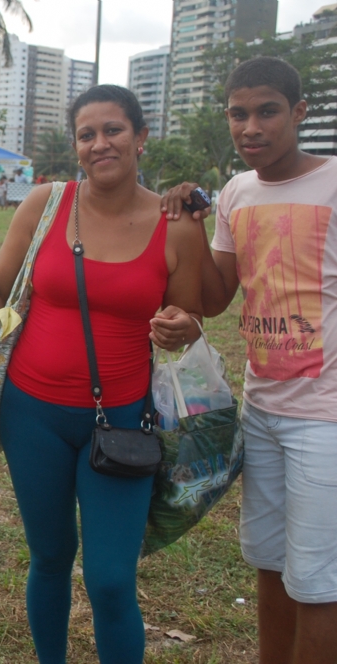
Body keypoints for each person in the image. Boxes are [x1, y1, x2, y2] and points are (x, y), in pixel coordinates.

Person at [0, 85, 205, 664]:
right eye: (87, 134)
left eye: (114, 130)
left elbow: (192, 314)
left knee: (111, 579)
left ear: (141, 138)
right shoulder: (46, 205)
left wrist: (182, 325)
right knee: (49, 557)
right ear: (76, 145)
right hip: (31, 414)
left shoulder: (177, 227)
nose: (101, 144)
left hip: (121, 422)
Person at [161, 57, 337, 664]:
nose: (251, 127)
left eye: (267, 112)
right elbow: (212, 299)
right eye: (239, 114)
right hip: (261, 405)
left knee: (318, 580)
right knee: (268, 559)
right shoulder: (237, 191)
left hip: (328, 418)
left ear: (299, 112)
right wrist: (186, 221)